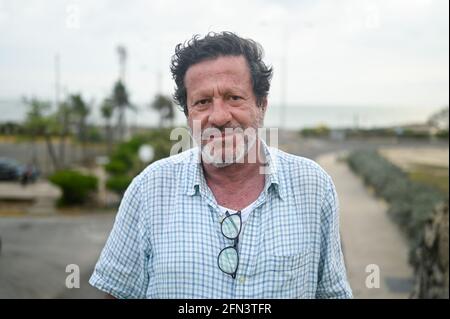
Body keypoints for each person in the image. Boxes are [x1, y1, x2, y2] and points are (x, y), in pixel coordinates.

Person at [89, 31, 352, 299]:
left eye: (234, 97)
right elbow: (116, 292)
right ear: (188, 114)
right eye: (202, 102)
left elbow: (332, 293)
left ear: (261, 105)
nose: (219, 116)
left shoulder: (313, 186)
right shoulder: (149, 189)